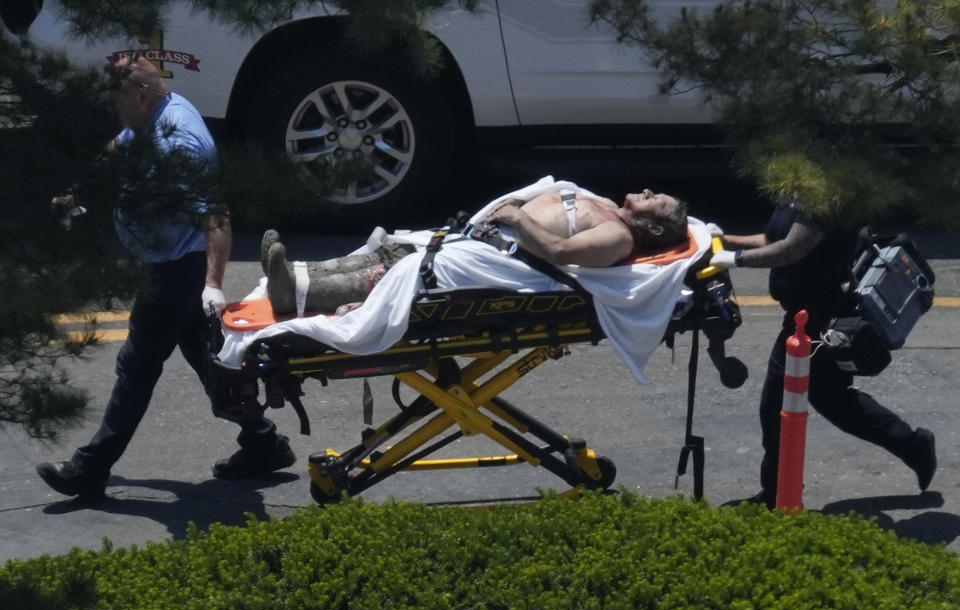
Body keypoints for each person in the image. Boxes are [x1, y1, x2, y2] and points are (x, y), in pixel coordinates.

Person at [36, 54, 295, 501]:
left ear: (139, 94)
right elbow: (119, 145)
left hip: (177, 271)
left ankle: (90, 468)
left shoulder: (180, 143)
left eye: (115, 98)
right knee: (210, 362)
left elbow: (216, 217)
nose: (111, 106)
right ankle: (263, 443)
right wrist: (80, 190)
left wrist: (212, 286)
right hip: (169, 265)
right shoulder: (150, 116)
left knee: (136, 367)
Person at [710, 202, 937, 507]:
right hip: (806, 311)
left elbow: (790, 250)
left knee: (776, 405)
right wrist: (726, 239)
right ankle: (912, 445)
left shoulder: (826, 199)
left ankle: (776, 494)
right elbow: (772, 240)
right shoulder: (797, 194)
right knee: (834, 400)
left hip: (816, 317)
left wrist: (734, 259)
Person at [264, 187, 690, 315]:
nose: (650, 190)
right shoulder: (610, 208)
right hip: (487, 238)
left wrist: (518, 218)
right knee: (395, 252)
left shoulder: (618, 237)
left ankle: (297, 292)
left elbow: (560, 251)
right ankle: (300, 273)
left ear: (651, 224)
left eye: (658, 200)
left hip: (503, 262)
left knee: (408, 269)